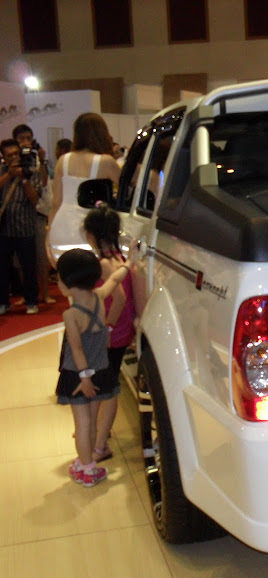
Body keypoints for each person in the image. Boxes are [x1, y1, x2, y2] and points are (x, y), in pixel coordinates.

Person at [56, 248, 131, 486]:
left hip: (79, 376)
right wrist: (128, 264)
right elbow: (114, 279)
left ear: (68, 284)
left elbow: (76, 349)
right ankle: (85, 461)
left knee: (82, 423)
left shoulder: (71, 314)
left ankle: (87, 468)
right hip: (100, 370)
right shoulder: (98, 297)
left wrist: (84, 377)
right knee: (92, 420)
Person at [82, 204, 136, 461]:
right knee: (107, 381)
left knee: (107, 387)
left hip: (112, 334)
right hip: (121, 332)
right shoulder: (119, 259)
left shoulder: (104, 263)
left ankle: (100, 444)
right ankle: (98, 433)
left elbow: (120, 298)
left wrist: (108, 328)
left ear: (93, 235)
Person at [48, 113, 120, 266]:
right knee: (96, 276)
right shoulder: (106, 162)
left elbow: (55, 203)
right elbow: (128, 190)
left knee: (68, 277)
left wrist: (48, 236)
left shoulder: (63, 160)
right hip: (91, 232)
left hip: (61, 228)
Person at [0, 139, 42, 315]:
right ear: (3, 157)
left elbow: (35, 200)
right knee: (2, 268)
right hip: (3, 229)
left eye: (16, 154)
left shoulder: (31, 171)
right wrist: (9, 175)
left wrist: (23, 179)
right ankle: (3, 302)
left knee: (29, 267)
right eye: (9, 155)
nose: (14, 158)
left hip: (25, 227)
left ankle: (31, 301)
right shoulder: (2, 171)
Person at [14, 125, 55, 305]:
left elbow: (44, 182)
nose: (25, 142)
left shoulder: (37, 159)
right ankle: (26, 294)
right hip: (17, 216)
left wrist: (42, 158)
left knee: (40, 255)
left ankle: (45, 292)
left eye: (28, 138)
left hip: (37, 213)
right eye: (21, 138)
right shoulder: (11, 159)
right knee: (20, 259)